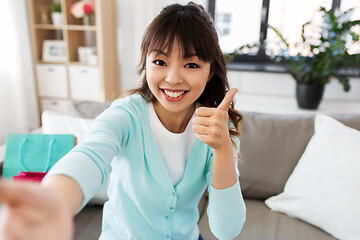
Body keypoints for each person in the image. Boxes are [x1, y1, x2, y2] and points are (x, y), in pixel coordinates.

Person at [0, 2, 246, 239]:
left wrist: (223, 148)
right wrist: (52, 203)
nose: (172, 78)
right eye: (160, 62)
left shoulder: (218, 126)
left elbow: (227, 230)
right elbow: (90, 155)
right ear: (146, 63)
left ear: (210, 71)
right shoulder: (127, 115)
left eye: (191, 64)